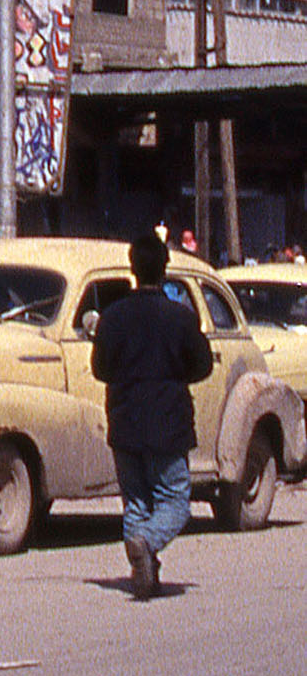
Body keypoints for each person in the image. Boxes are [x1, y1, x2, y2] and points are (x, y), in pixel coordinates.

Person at [91, 233, 214, 599]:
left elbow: (100, 369)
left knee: (137, 501)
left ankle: (144, 570)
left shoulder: (111, 318)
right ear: (165, 269)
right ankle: (147, 542)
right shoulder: (180, 318)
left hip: (125, 419)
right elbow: (202, 366)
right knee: (175, 500)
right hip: (167, 422)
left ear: (132, 268)